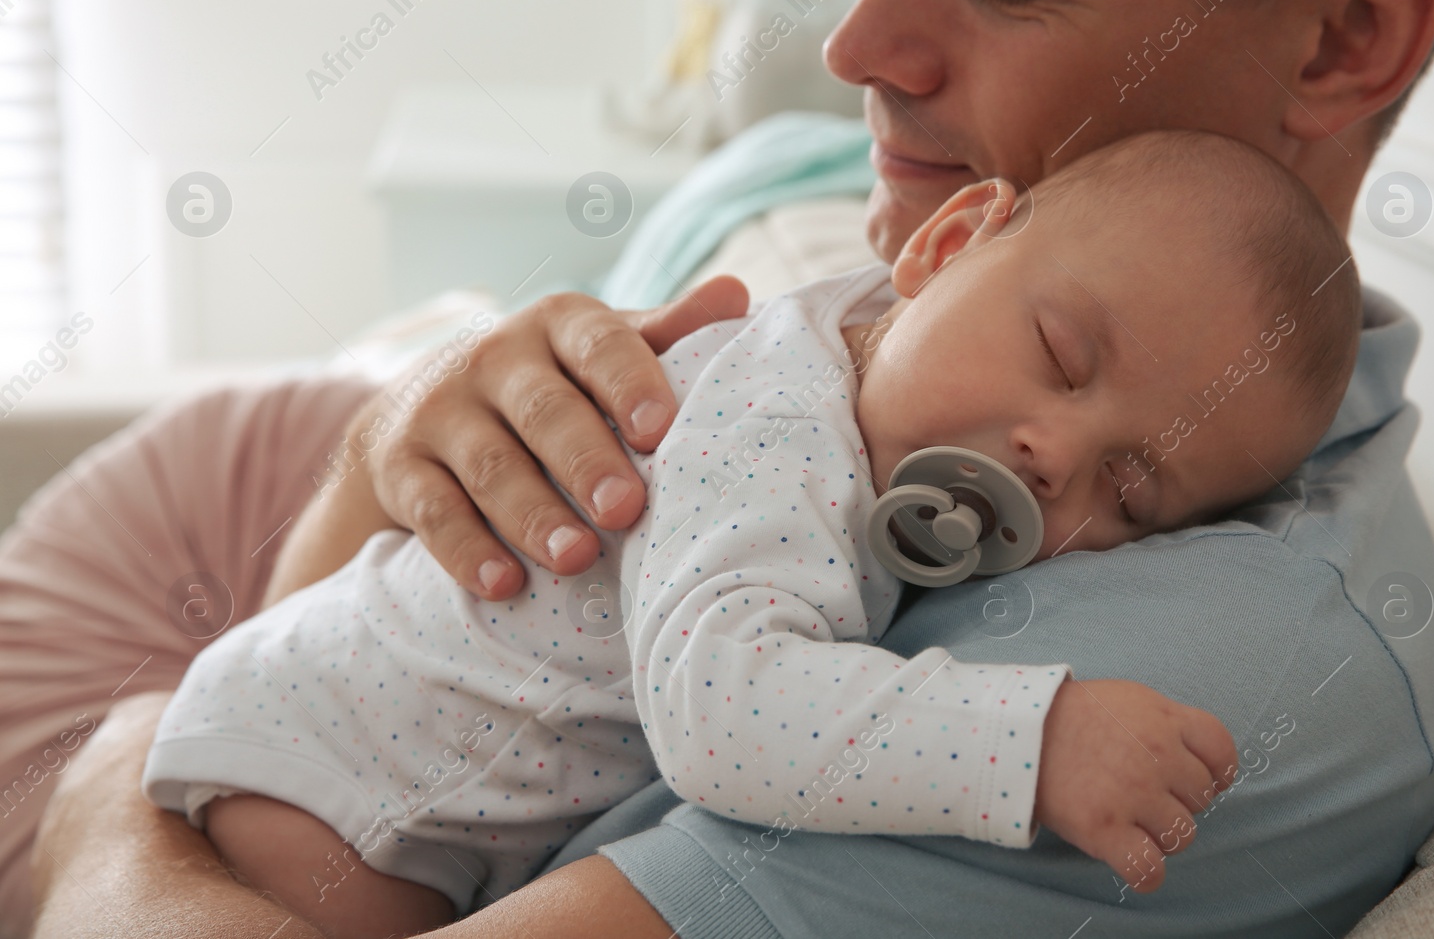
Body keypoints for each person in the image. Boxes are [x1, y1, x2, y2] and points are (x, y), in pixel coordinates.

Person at [20, 0, 1434, 936]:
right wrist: (390, 437)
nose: (852, 45)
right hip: (222, 607)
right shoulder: (863, 342)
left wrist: (103, 797)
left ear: (1345, 32)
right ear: (954, 250)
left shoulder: (1230, 677)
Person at [138, 132, 1356, 938]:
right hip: (327, 766)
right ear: (938, 250)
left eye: (1131, 491)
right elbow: (728, 712)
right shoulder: (777, 428)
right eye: (1060, 357)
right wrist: (1029, 739)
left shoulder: (864, 413)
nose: (1052, 454)